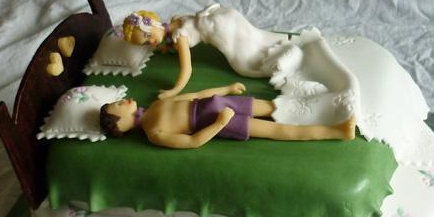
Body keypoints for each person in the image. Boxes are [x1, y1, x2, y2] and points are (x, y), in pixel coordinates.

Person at [99, 83, 356, 149]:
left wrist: (227, 89)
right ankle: (338, 131)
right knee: (277, 131)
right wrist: (220, 123)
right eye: (120, 105)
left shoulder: (157, 104)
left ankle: (321, 105)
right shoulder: (154, 134)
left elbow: (196, 94)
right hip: (214, 121)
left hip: (218, 102)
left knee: (273, 106)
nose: (125, 100)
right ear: (120, 124)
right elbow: (193, 141)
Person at [121, 7, 288, 99]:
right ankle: (284, 41)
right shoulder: (175, 21)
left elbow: (186, 68)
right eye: (146, 42)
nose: (151, 42)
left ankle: (282, 63)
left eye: (148, 36)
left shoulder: (180, 37)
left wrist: (175, 90)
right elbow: (165, 40)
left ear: (153, 23)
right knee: (255, 37)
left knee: (244, 66)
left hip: (222, 28)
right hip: (222, 13)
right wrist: (164, 47)